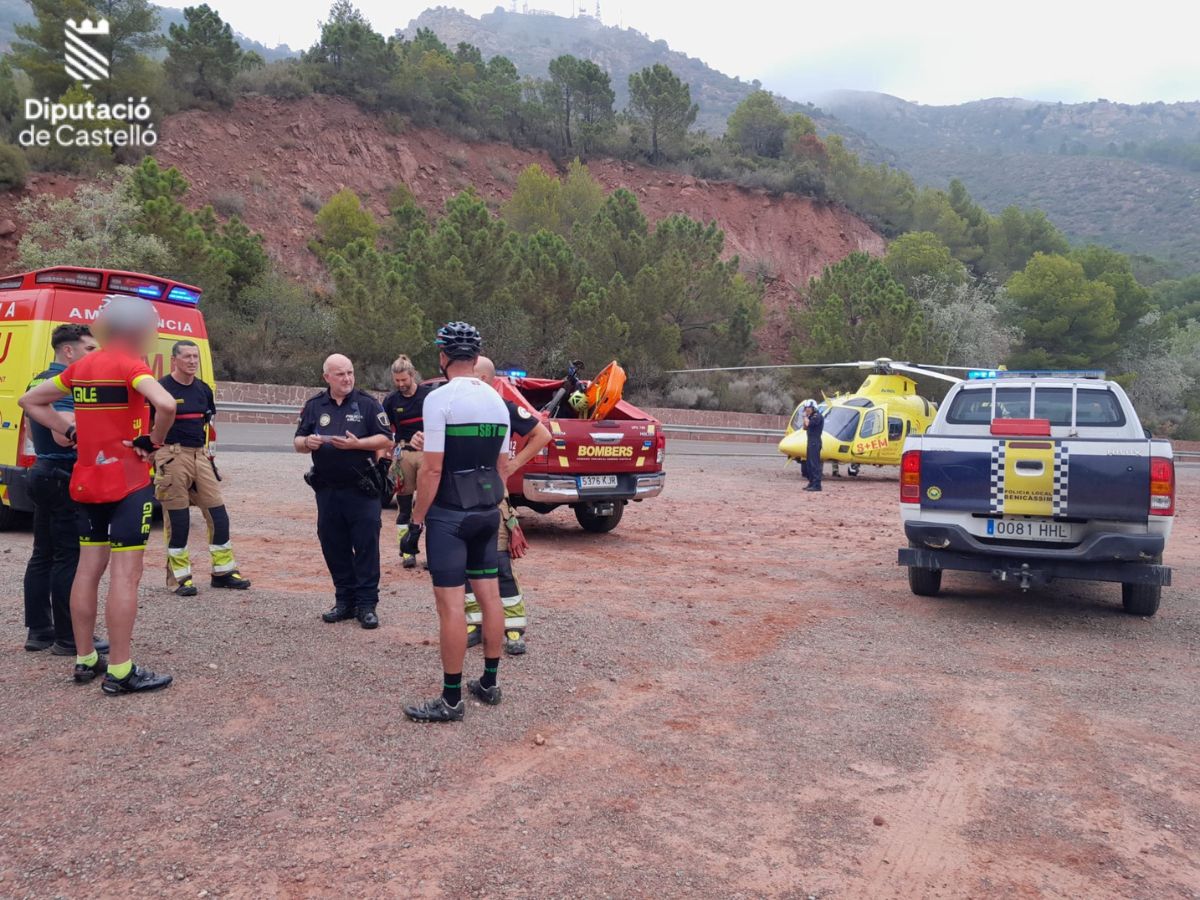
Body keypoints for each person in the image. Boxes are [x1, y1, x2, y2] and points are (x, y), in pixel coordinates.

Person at [19, 296, 178, 694]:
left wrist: (69, 430)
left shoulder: (82, 366)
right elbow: (165, 404)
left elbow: (30, 401)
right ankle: (121, 670)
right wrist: (152, 440)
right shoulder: (132, 365)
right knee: (126, 574)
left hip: (86, 483)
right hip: (127, 483)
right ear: (137, 330)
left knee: (88, 570)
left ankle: (85, 657)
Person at [403, 322, 510, 723]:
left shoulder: (438, 399)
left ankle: (450, 701)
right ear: (477, 357)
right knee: (490, 597)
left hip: (450, 514)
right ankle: (490, 683)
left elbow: (431, 471)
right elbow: (502, 466)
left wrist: (416, 522)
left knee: (451, 607)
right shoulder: (498, 402)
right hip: (486, 510)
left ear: (443, 357)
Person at [21, 324, 107, 656]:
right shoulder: (66, 384)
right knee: (68, 556)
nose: (95, 354)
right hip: (62, 473)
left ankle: (39, 631)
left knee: (42, 553)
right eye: (90, 349)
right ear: (68, 351)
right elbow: (63, 434)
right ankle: (69, 636)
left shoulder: (37, 379)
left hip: (42, 470)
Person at [294, 354, 392, 629]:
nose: (347, 378)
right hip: (327, 490)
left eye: (350, 372)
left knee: (365, 547)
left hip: (362, 489)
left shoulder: (368, 404)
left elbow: (386, 437)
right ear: (327, 377)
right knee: (333, 545)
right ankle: (344, 601)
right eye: (340, 374)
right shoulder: (315, 406)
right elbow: (297, 441)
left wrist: (357, 444)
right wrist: (308, 442)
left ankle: (367, 604)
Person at [463, 355, 552, 656]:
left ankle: (514, 628)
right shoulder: (456, 407)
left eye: (470, 374)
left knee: (500, 565)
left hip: (492, 498)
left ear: (485, 379)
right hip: (459, 498)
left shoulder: (503, 407)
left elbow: (542, 435)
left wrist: (512, 466)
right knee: (464, 565)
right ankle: (473, 624)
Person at [155, 339, 251, 596]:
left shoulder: (203, 389)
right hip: (172, 454)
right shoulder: (161, 388)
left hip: (200, 456)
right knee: (178, 520)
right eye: (187, 357)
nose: (192, 361)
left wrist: (207, 455)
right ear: (174, 359)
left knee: (218, 515)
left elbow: (207, 421)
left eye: (195, 357)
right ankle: (179, 578)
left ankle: (223, 572)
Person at [382, 354, 434, 568]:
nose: (401, 384)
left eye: (404, 379)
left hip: (428, 455)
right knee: (404, 508)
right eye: (397, 381)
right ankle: (407, 552)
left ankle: (433, 554)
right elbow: (385, 430)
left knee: (430, 507)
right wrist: (387, 450)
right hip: (404, 454)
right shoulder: (391, 401)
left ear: (412, 375)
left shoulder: (429, 396)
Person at [802, 399, 824, 492]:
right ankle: (811, 482)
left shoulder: (817, 416)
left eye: (809, 408)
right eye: (806, 408)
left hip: (815, 441)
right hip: (810, 441)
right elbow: (805, 427)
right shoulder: (810, 416)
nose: (807, 409)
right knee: (809, 464)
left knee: (815, 464)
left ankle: (817, 484)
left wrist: (805, 417)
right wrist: (806, 417)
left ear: (814, 408)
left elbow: (808, 423)